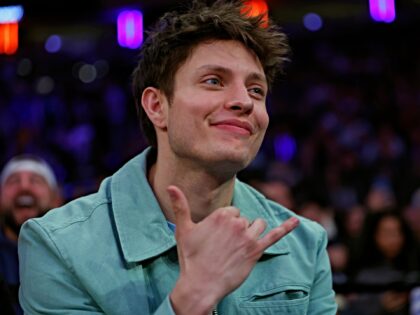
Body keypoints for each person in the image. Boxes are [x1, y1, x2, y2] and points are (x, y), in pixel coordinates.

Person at [18, 1, 337, 314]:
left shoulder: (304, 245)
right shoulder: (59, 246)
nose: (244, 101)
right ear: (157, 106)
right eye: (214, 81)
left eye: (256, 90)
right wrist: (189, 301)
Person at [0, 154, 61, 314]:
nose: (24, 187)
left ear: (56, 199)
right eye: (13, 181)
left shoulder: (78, 257)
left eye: (36, 180)